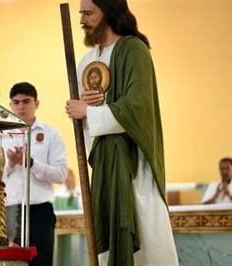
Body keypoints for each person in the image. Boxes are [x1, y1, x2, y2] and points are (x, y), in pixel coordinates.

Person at [65, 0, 178, 265]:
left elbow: (136, 106)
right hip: (104, 168)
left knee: (146, 243)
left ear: (110, 12)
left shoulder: (134, 50)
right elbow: (89, 124)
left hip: (134, 167)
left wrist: (89, 112)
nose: (82, 20)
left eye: (88, 13)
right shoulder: (87, 61)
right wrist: (80, 111)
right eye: (80, 13)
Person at [5, 82, 68, 266]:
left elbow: (61, 175)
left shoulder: (51, 134)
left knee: (41, 263)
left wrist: (30, 163)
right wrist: (10, 163)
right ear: (10, 105)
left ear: (37, 103)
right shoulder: (0, 134)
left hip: (40, 213)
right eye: (16, 102)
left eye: (26, 101)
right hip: (10, 213)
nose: (21, 106)